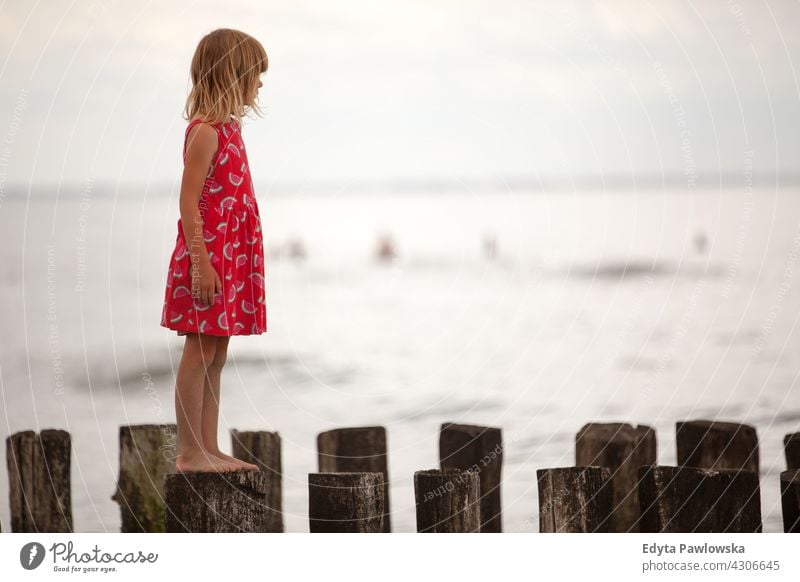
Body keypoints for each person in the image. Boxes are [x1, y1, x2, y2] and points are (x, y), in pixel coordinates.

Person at [160, 28, 268, 473]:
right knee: (199, 350)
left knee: (217, 352)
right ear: (232, 74)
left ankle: (208, 446)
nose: (260, 85)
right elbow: (188, 201)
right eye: (255, 75)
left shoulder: (231, 131)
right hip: (209, 256)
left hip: (230, 256)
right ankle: (189, 453)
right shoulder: (205, 132)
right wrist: (202, 264)